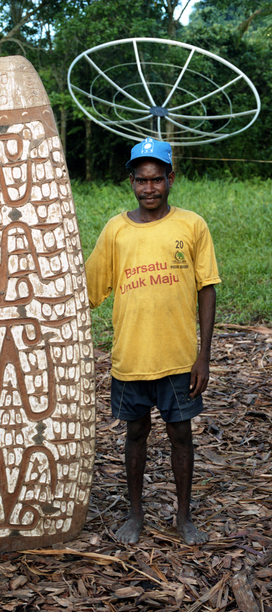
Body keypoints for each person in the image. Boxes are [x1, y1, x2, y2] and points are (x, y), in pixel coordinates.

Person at [85, 137, 221, 545]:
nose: (149, 188)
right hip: (131, 357)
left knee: (181, 434)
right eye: (141, 180)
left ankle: (183, 516)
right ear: (131, 182)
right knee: (136, 433)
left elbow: (207, 288)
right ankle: (135, 514)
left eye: (157, 180)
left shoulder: (191, 225)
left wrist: (204, 356)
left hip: (179, 358)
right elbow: (86, 289)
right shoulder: (116, 230)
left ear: (170, 179)